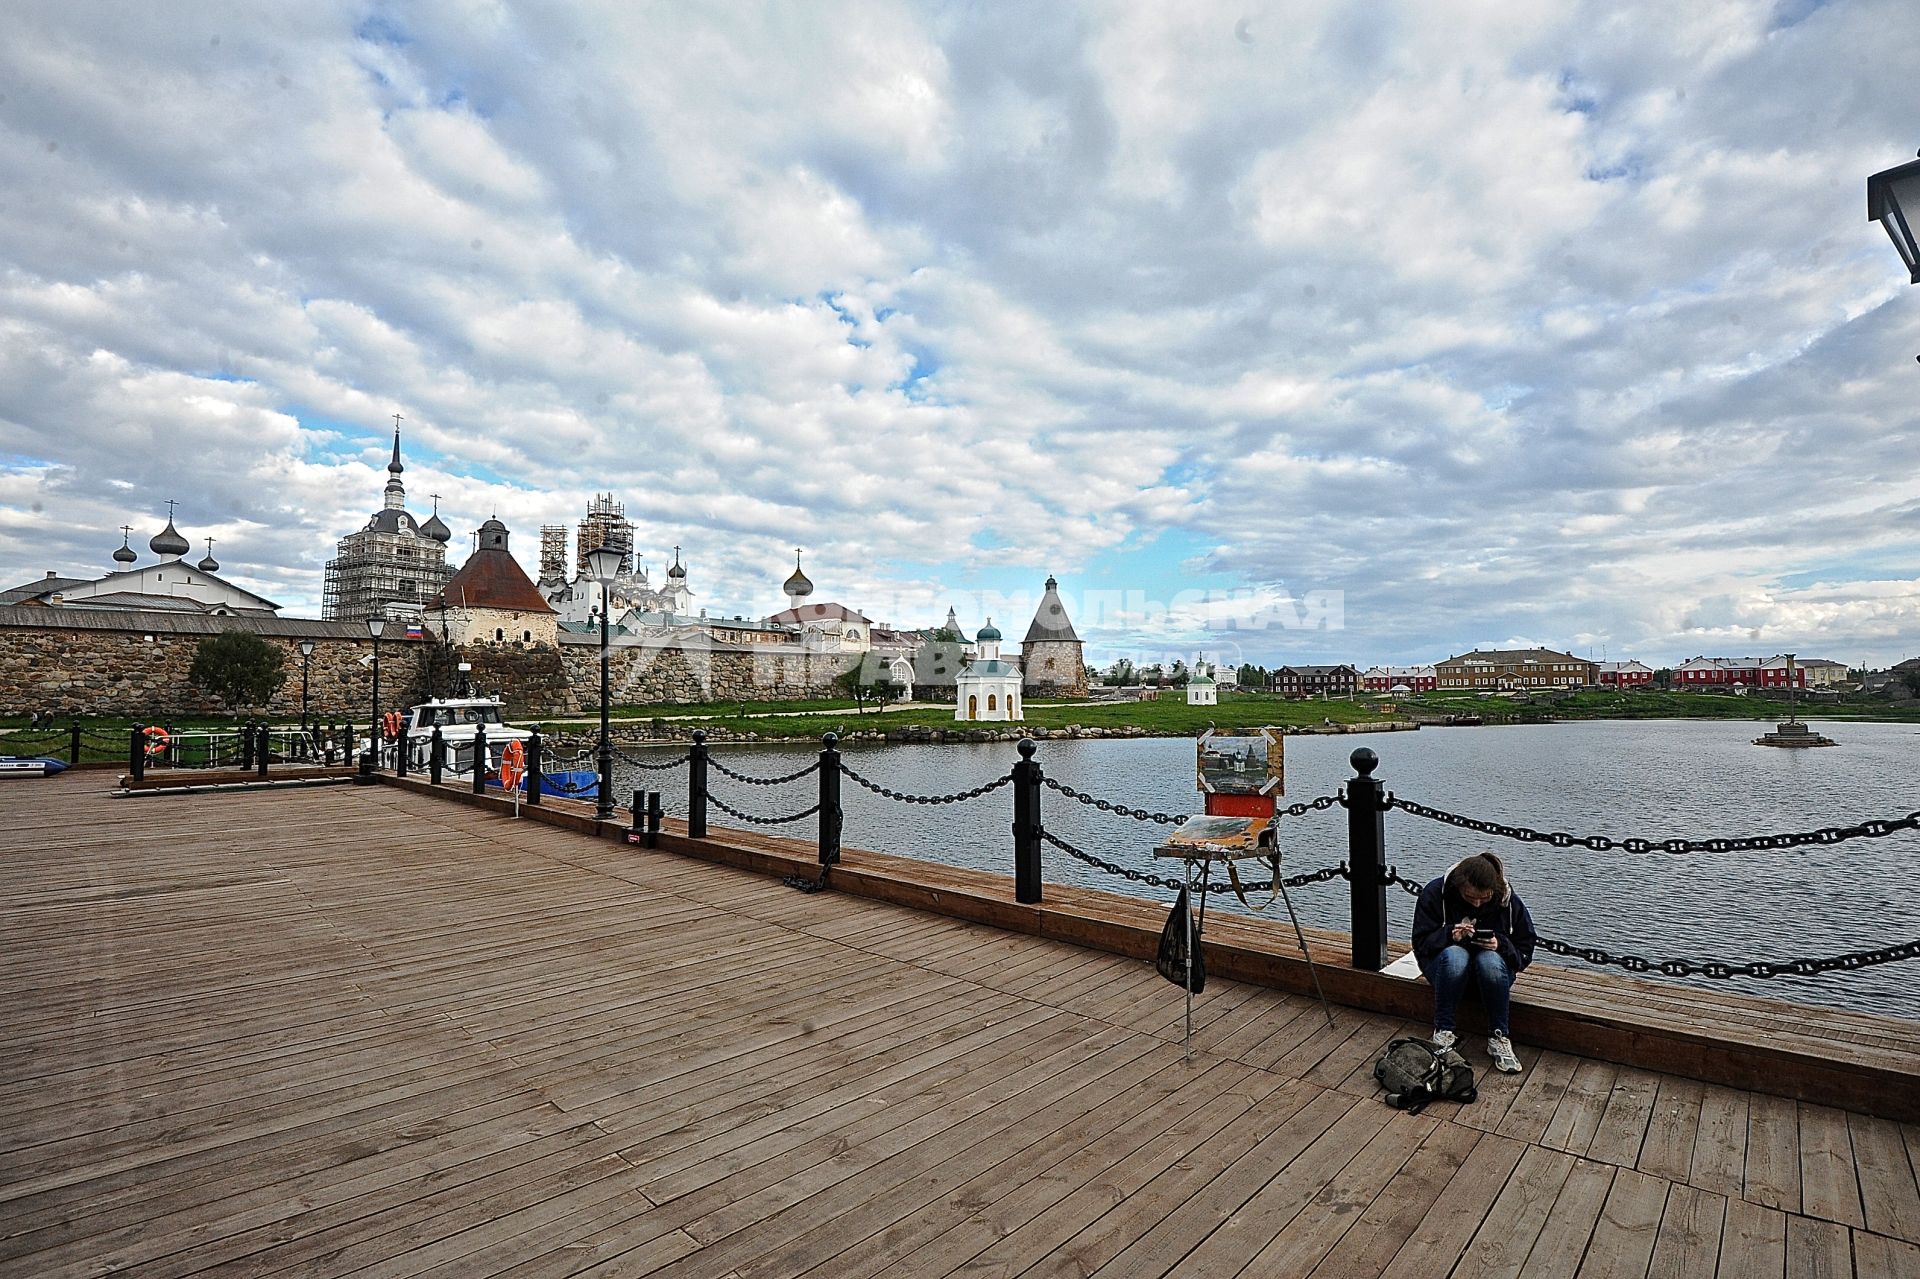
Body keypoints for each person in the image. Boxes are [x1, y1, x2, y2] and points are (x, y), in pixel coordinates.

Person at [1410, 851, 1536, 1073]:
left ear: (1495, 890)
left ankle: (1499, 1035)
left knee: (1490, 959)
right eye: (1470, 898)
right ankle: (1443, 1030)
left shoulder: (1508, 902)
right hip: (1446, 973)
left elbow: (1525, 951)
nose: (1477, 904)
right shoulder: (1435, 893)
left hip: (1491, 977)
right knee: (1456, 955)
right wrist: (1450, 935)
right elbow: (1421, 944)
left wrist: (1501, 945)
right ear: (1459, 887)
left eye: (1484, 898)